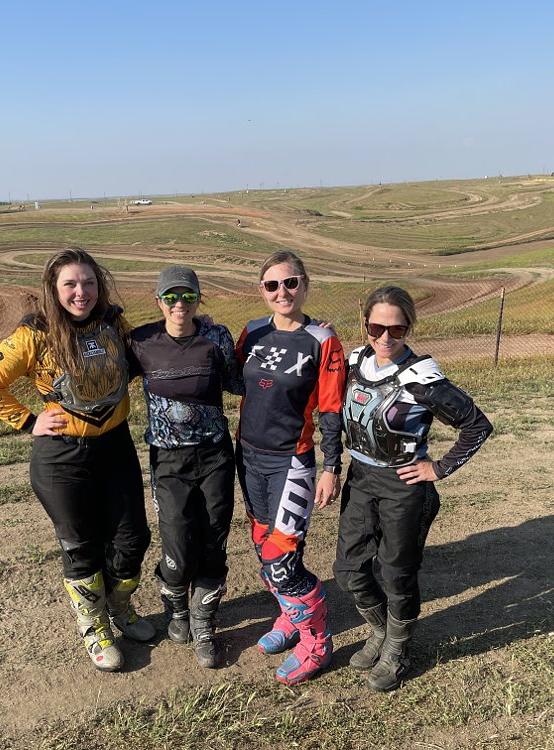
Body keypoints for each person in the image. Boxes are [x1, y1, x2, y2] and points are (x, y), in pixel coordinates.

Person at [0, 247, 154, 673]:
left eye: (88, 282)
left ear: (99, 286)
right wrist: (28, 421)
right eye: (70, 284)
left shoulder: (113, 322)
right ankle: (94, 626)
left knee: (132, 539)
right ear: (53, 289)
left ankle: (118, 608)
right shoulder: (34, 334)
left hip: (116, 447)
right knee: (81, 545)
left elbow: (145, 354)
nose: (81, 292)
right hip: (62, 458)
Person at [333, 285, 493, 691]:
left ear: (409, 328)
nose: (385, 337)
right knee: (348, 569)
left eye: (397, 329)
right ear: (365, 324)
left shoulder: (422, 377)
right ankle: (380, 630)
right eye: (376, 328)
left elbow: (476, 425)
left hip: (403, 486)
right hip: (360, 478)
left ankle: (397, 648)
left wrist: (438, 468)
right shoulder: (355, 362)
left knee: (395, 573)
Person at [235, 250, 347, 685]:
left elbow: (331, 409)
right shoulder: (252, 332)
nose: (282, 292)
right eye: (272, 285)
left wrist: (331, 466)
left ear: (305, 285)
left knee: (281, 559)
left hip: (291, 461)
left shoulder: (322, 340)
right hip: (248, 456)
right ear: (261, 290)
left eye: (291, 282)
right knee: (263, 546)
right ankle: (289, 616)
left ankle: (317, 643)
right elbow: (231, 377)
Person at [129, 266, 244, 669]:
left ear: (198, 299)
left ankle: (203, 622)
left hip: (215, 456)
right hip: (168, 460)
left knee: (214, 541)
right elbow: (104, 372)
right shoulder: (140, 341)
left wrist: (306, 338)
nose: (180, 304)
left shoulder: (216, 337)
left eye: (189, 296)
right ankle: (176, 607)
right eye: (171, 296)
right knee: (176, 544)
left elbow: (239, 383)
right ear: (158, 301)